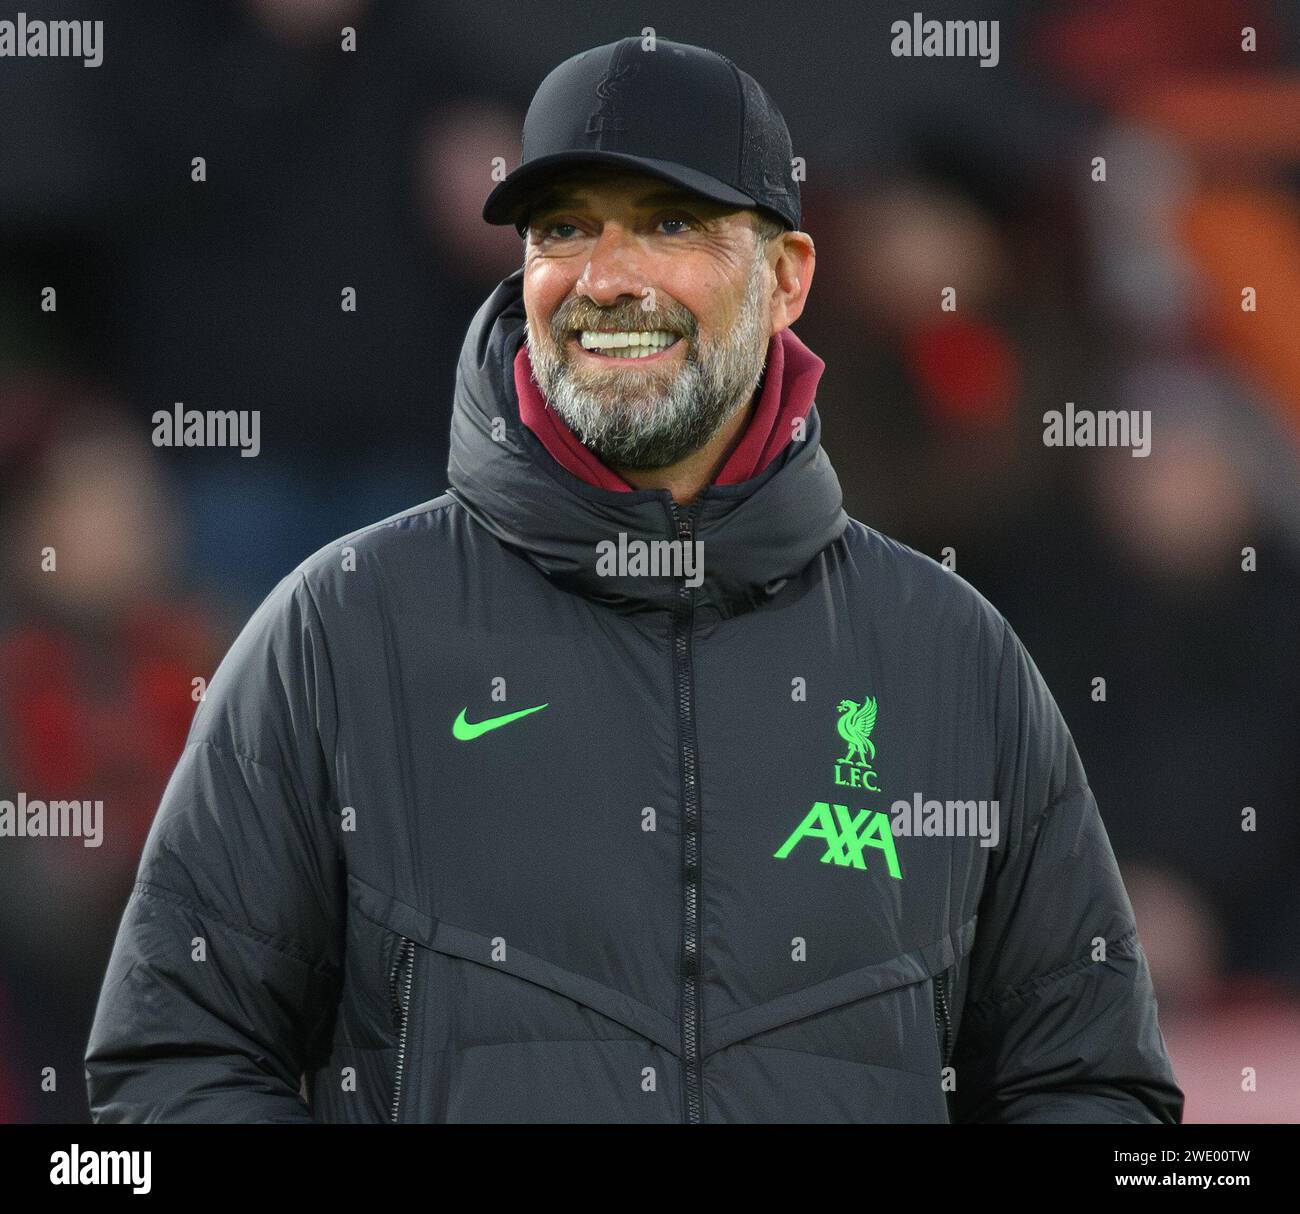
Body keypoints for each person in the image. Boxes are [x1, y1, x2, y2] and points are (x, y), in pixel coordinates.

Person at [85, 36, 1183, 1124]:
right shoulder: (340, 629)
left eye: (670, 223)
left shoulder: (953, 655)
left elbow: (1092, 1084)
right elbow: (173, 1064)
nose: (607, 279)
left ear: (787, 277)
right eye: (564, 227)